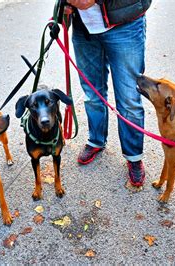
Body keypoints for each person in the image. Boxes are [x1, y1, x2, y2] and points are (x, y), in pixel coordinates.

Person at [65, 0, 151, 186]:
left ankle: (133, 155)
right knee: (92, 94)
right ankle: (96, 140)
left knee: (129, 98)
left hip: (124, 25)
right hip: (83, 27)